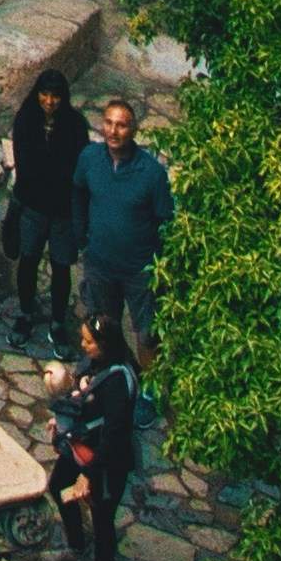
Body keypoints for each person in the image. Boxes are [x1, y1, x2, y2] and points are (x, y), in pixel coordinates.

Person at [46, 315, 142, 561]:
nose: (83, 345)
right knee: (58, 485)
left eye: (89, 341)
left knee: (102, 519)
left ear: (105, 344)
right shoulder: (93, 364)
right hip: (80, 446)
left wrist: (90, 472)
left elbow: (114, 432)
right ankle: (75, 546)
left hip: (106, 460)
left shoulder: (118, 380)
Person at [71, 95, 173, 367]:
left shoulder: (151, 173)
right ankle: (108, 380)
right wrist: (81, 237)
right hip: (100, 265)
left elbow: (165, 219)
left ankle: (149, 394)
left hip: (139, 271)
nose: (113, 131)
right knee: (102, 330)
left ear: (133, 131)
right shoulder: (90, 158)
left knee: (148, 335)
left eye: (122, 125)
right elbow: (78, 192)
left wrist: (158, 264)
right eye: (108, 123)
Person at [0, 64, 87, 333]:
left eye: (55, 96)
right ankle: (26, 312)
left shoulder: (74, 125)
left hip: (62, 212)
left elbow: (76, 168)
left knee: (61, 267)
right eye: (45, 94)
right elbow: (26, 166)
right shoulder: (26, 120)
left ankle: (58, 320)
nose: (49, 101)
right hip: (33, 208)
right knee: (28, 261)